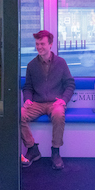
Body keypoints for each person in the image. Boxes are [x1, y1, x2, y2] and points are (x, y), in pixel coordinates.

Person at [21, 30, 76, 170]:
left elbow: (70, 84)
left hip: (55, 102)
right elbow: (27, 87)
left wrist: (64, 100)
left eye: (42, 44)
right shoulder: (31, 65)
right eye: (37, 44)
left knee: (58, 114)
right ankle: (32, 148)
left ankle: (56, 151)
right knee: (19, 114)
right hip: (37, 103)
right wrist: (27, 99)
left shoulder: (61, 63)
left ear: (50, 45)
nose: (39, 46)